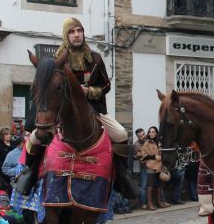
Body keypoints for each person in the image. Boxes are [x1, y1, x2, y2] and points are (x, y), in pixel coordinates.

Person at [23, 17, 138, 200]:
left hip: (93, 109)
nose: (76, 35)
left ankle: (122, 177)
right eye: (72, 32)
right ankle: (28, 174)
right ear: (66, 35)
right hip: (62, 110)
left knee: (121, 134)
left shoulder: (95, 59)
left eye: (79, 31)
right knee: (35, 137)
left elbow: (106, 85)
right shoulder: (55, 61)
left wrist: (90, 91)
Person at [2, 135, 37, 224]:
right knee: (19, 206)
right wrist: (18, 172)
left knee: (30, 206)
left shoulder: (32, 152)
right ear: (20, 143)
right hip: (19, 183)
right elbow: (5, 169)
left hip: (31, 182)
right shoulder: (12, 155)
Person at [133, 128, 148, 208]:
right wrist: (138, 155)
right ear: (138, 137)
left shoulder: (150, 140)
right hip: (144, 167)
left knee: (156, 184)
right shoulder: (136, 145)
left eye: (143, 134)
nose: (143, 136)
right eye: (140, 136)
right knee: (143, 186)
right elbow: (136, 156)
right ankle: (143, 203)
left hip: (153, 166)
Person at [0, 127, 13, 192]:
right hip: (3, 170)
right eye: (7, 134)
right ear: (3, 136)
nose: (9, 136)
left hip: (13, 169)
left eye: (10, 134)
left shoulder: (14, 145)